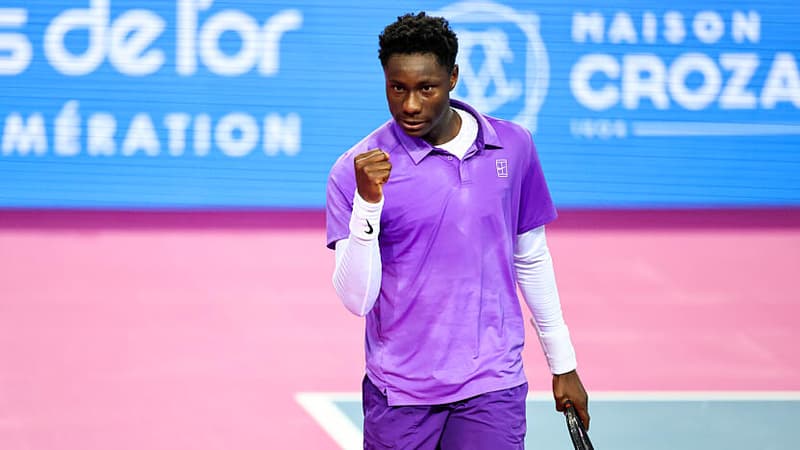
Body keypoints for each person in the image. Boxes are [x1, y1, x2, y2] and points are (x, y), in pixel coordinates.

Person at [325, 11, 589, 449]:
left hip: (492, 384)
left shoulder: (513, 147)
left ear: (453, 78)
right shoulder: (354, 170)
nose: (410, 105)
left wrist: (563, 363)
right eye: (397, 88)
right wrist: (368, 203)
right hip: (401, 392)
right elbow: (357, 300)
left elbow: (531, 258)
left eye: (426, 88)